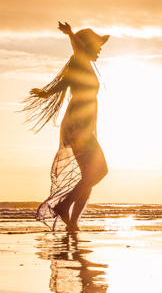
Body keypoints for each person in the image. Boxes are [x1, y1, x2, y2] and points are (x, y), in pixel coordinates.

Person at [22, 22, 110, 231]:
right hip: (78, 127)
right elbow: (78, 48)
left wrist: (46, 93)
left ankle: (72, 222)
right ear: (86, 45)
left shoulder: (82, 67)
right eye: (97, 45)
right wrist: (70, 33)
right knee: (100, 172)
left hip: (80, 126)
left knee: (88, 176)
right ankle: (63, 207)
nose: (100, 49)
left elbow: (64, 83)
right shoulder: (80, 60)